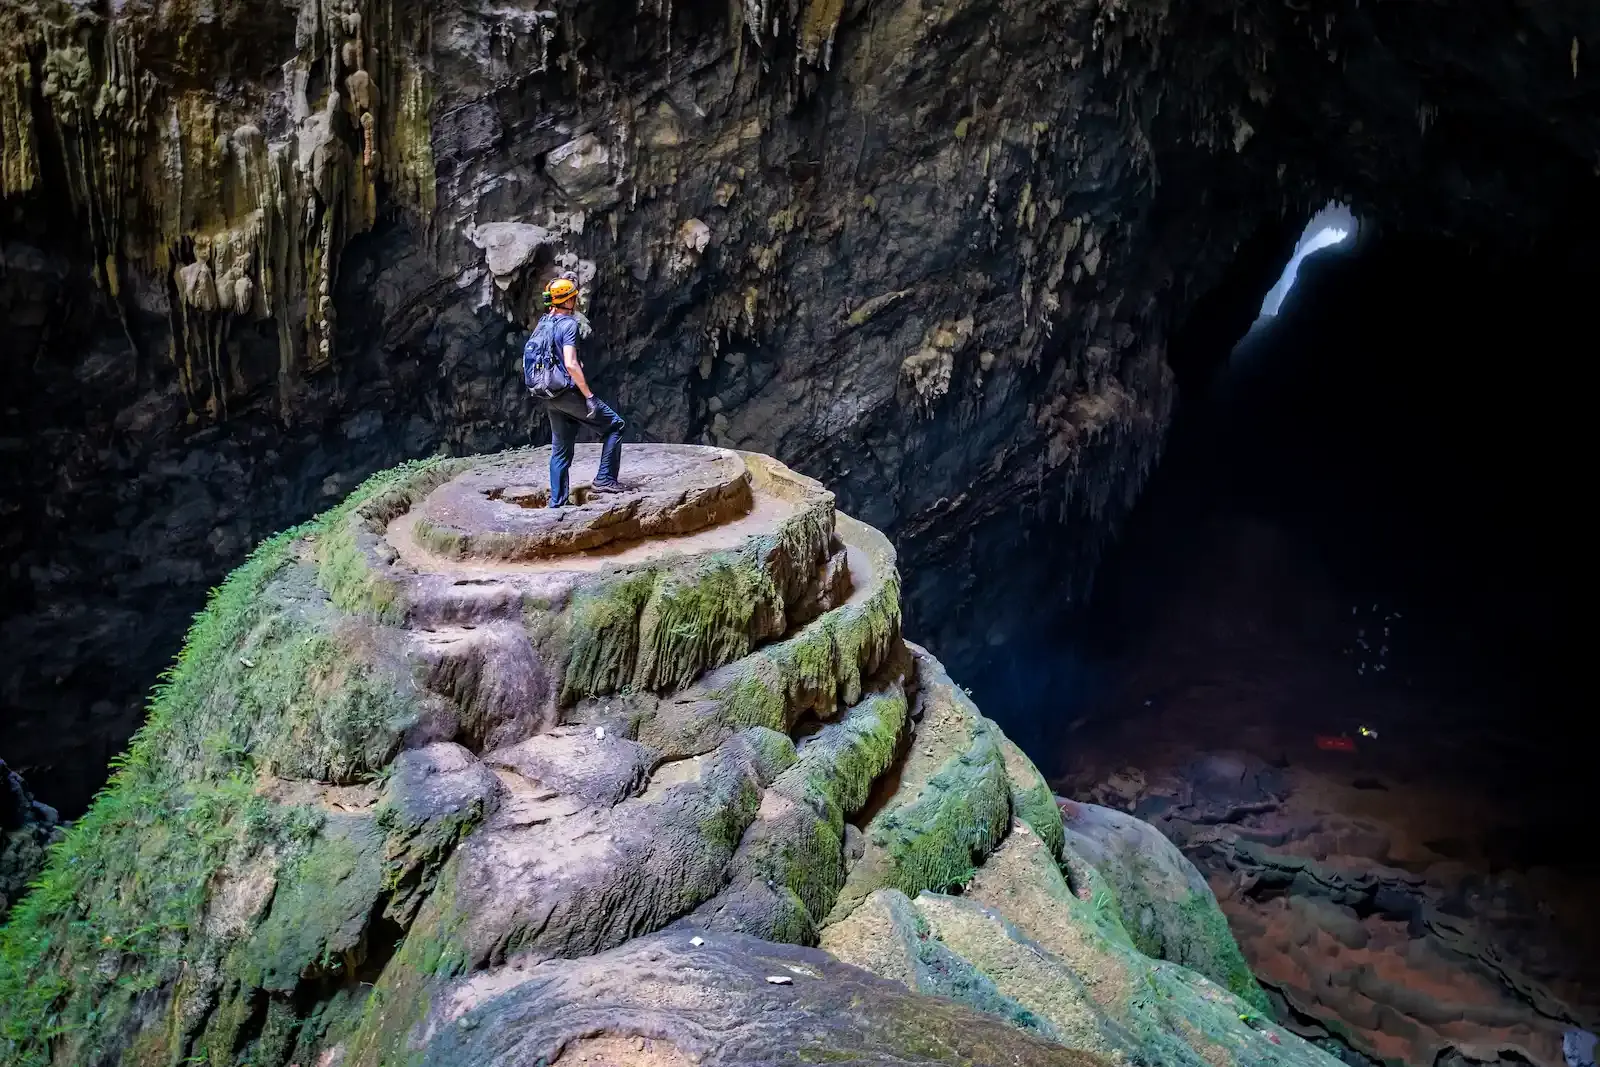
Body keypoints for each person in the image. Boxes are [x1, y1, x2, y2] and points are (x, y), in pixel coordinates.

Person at [523, 275, 627, 507]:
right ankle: (605, 479)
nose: (576, 301)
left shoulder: (543, 323)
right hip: (567, 393)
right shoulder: (569, 325)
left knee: (560, 449)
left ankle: (556, 503)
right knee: (614, 426)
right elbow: (570, 363)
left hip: (548, 394)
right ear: (568, 300)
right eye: (573, 297)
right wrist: (589, 396)